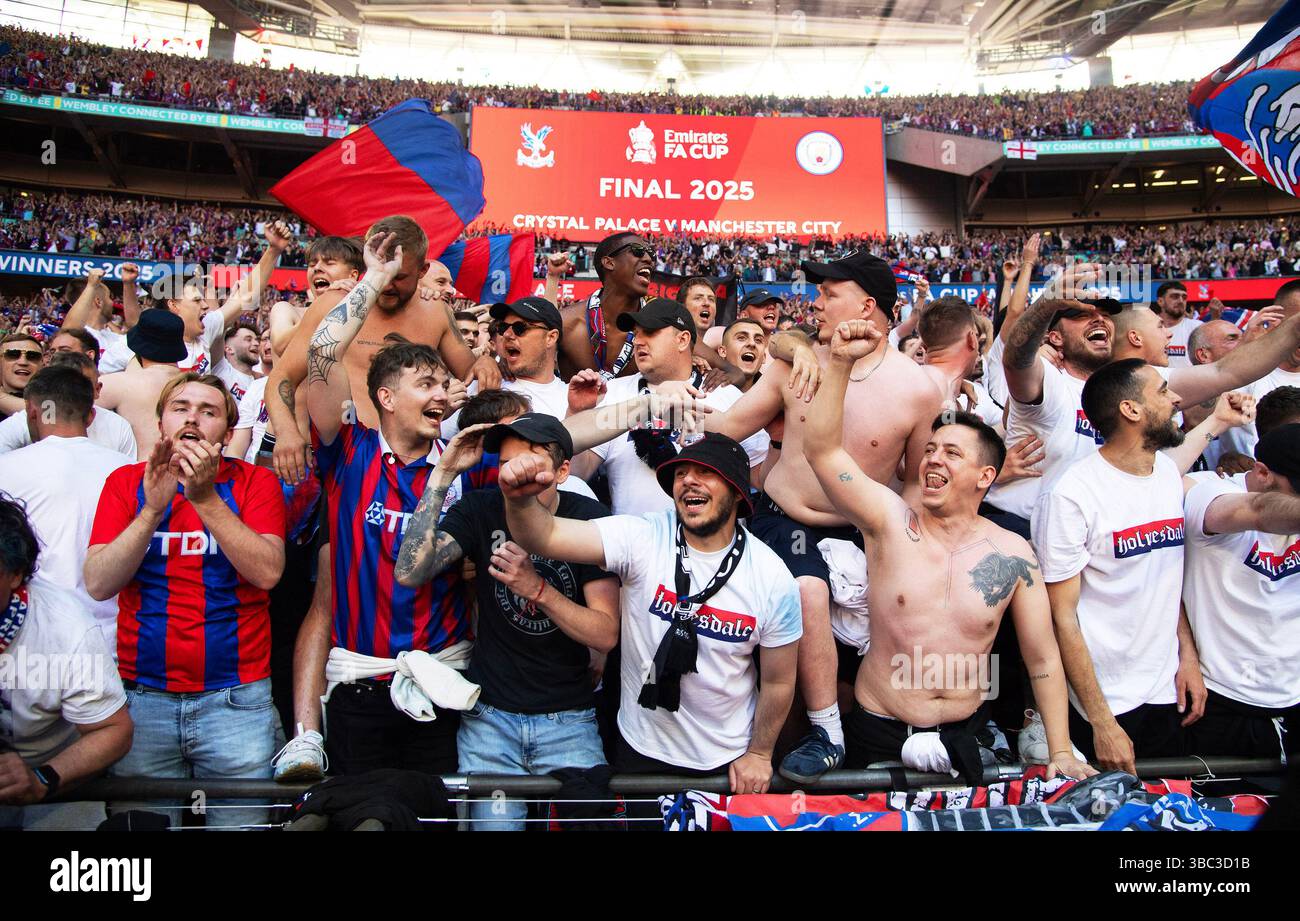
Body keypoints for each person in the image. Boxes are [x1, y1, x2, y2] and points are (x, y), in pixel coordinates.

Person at [802, 318, 1093, 781]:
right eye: (931, 449)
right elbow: (822, 451)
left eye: (952, 453)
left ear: (985, 477)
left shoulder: (1013, 553)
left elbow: (1041, 658)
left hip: (967, 734)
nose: (933, 458)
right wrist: (839, 363)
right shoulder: (888, 522)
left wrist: (1060, 749)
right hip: (878, 729)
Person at [706, 249, 943, 783]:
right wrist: (667, 416)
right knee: (807, 590)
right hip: (782, 516)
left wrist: (901, 538)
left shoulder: (917, 387)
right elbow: (730, 427)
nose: (815, 302)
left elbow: (916, 475)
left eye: (828, 292)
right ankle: (826, 732)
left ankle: (915, 724)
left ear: (867, 303)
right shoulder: (796, 360)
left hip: (862, 528)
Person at [501, 432, 802, 796]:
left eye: (705, 473)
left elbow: (779, 682)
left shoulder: (772, 578)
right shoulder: (642, 536)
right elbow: (545, 535)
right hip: (639, 751)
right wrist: (519, 501)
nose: (688, 480)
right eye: (680, 473)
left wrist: (759, 752)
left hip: (725, 761)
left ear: (738, 492)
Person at [394, 413, 620, 831]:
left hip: (567, 721)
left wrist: (538, 590)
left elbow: (605, 634)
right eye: (505, 465)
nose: (513, 475)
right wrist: (442, 473)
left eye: (528, 463)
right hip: (490, 722)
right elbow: (410, 571)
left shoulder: (590, 518)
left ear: (563, 470)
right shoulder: (481, 507)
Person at [303, 232, 476, 775]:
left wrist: (640, 405)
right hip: (359, 684)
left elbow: (559, 444)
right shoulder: (348, 452)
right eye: (427, 383)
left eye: (445, 385)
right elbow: (321, 353)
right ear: (385, 397)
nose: (443, 396)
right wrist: (373, 279)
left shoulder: (465, 461)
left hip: (443, 683)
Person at [84, 373, 286, 828]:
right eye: (180, 407)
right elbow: (98, 582)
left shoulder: (256, 484)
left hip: (236, 701)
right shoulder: (124, 483)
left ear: (227, 432)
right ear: (160, 424)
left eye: (209, 411)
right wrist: (152, 510)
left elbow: (267, 572)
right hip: (143, 698)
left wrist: (205, 498)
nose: (193, 417)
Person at [1032, 359, 1205, 773]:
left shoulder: (1165, 472)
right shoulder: (1070, 494)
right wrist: (1101, 720)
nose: (1176, 398)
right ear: (1131, 410)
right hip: (1104, 700)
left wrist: (1188, 656)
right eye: (1163, 391)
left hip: (1167, 690)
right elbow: (1062, 617)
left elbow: (1166, 575)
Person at [266, 214, 500, 487]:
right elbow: (281, 377)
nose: (387, 285)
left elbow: (473, 374)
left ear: (422, 271)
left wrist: (484, 363)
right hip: (337, 461)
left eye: (399, 277)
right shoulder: (336, 304)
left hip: (408, 467)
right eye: (381, 273)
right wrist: (286, 433)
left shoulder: (435, 311)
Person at [0, 497, 132, 830]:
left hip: (53, 787)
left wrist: (42, 779)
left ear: (15, 575)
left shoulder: (65, 628)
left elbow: (114, 730)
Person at [570, 298, 769, 514]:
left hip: (708, 542)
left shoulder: (727, 395)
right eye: (636, 334)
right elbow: (575, 474)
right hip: (634, 542)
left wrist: (779, 438)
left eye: (649, 332)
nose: (637, 341)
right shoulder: (614, 393)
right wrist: (578, 413)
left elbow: (761, 480)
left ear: (683, 340)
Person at [1182, 423, 1300, 759]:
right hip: (1220, 698)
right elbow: (1257, 512)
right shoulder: (1210, 492)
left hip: (1293, 694)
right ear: (1262, 472)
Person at [0, 364, 130, 654]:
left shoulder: (5, 469)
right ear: (91, 414)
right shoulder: (129, 471)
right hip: (115, 640)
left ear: (33, 412)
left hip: (29, 642)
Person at [99, 221, 293, 374]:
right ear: (174, 305)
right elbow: (101, 380)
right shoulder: (138, 343)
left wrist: (273, 250)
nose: (206, 306)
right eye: (196, 300)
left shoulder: (206, 328)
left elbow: (247, 295)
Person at [439, 296, 570, 439]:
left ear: (550, 338)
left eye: (520, 328)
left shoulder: (572, 400)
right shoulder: (482, 381)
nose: (507, 334)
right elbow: (439, 445)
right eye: (503, 327)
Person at [0, 351, 136, 458]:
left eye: (82, 386)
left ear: (97, 389)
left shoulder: (117, 426)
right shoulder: (29, 418)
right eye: (64, 385)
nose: (71, 392)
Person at [558, 232, 651, 380]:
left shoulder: (662, 326)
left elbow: (697, 354)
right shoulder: (567, 323)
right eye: (637, 251)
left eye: (651, 253)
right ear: (609, 262)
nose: (648, 258)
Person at [95, 310, 185, 460]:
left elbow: (70, 406)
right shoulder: (197, 385)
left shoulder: (121, 383)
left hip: (142, 476)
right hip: (193, 474)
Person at [1150, 281, 1199, 367]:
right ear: (1160, 301)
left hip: (1188, 380)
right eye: (1175, 297)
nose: (1181, 301)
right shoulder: (1147, 327)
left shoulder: (1197, 327)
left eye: (1184, 297)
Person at [717, 318, 768, 392]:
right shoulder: (702, 388)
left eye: (758, 340)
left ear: (764, 357)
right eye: (741, 338)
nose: (752, 343)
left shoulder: (777, 398)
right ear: (723, 351)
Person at [213, 324, 260, 404]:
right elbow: (220, 323)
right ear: (229, 349)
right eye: (248, 339)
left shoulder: (260, 384)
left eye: (257, 340)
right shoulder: (220, 368)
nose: (256, 344)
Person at [0, 330, 42, 414]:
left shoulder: (60, 398)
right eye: (12, 355)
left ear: (43, 364)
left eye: (33, 356)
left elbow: (49, 416)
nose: (23, 362)